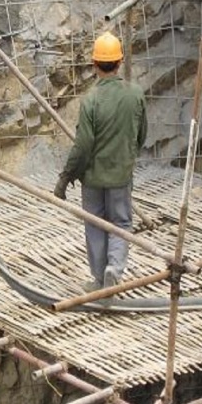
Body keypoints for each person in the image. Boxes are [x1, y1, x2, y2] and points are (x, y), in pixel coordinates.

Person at [53, 32, 147, 292]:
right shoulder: (136, 94)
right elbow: (141, 135)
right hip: (120, 176)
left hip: (93, 178)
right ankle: (114, 269)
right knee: (121, 222)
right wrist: (127, 158)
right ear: (120, 62)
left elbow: (83, 146)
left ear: (95, 65)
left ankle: (98, 279)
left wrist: (66, 177)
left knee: (94, 222)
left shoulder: (91, 101)